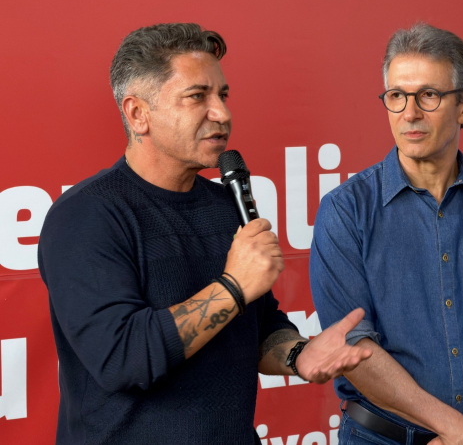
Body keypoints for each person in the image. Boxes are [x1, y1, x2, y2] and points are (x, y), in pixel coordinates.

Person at [38, 23, 371, 445]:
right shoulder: (86, 216)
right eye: (197, 96)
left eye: (223, 95)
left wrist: (298, 355)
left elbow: (260, 325)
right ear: (138, 114)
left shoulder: (225, 205)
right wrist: (233, 287)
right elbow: (122, 357)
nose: (222, 114)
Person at [310, 23, 463, 445]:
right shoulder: (346, 210)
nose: (410, 113)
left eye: (429, 95)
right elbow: (354, 348)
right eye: (397, 96)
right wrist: (458, 431)